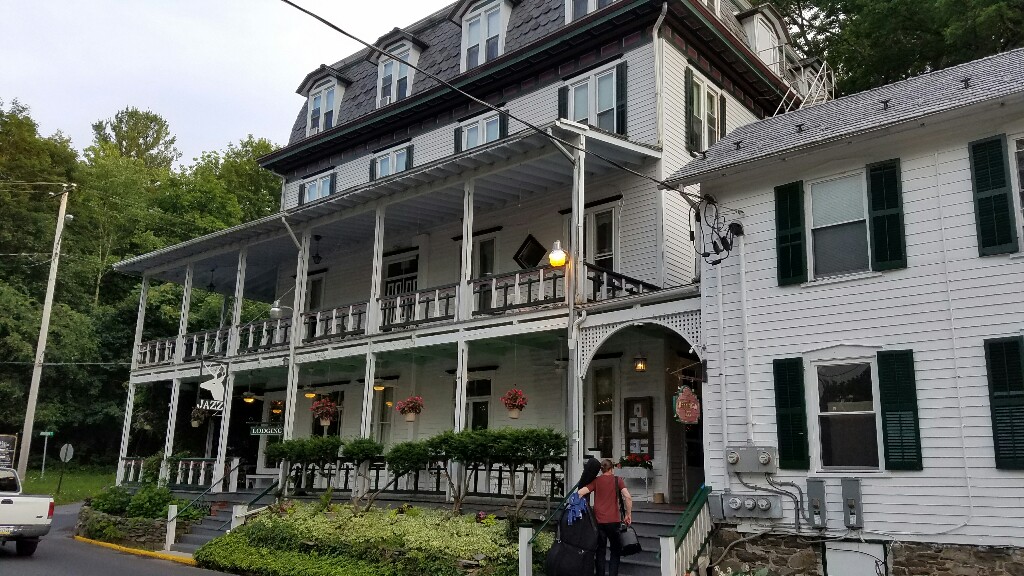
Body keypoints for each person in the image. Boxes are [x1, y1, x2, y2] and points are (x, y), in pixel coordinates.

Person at [577, 458, 632, 576]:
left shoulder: (596, 481)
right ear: (611, 468)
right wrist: (628, 514)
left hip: (599, 522)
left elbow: (580, 492)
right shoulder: (618, 480)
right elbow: (627, 497)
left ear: (602, 470)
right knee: (615, 551)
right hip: (614, 521)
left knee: (600, 551)